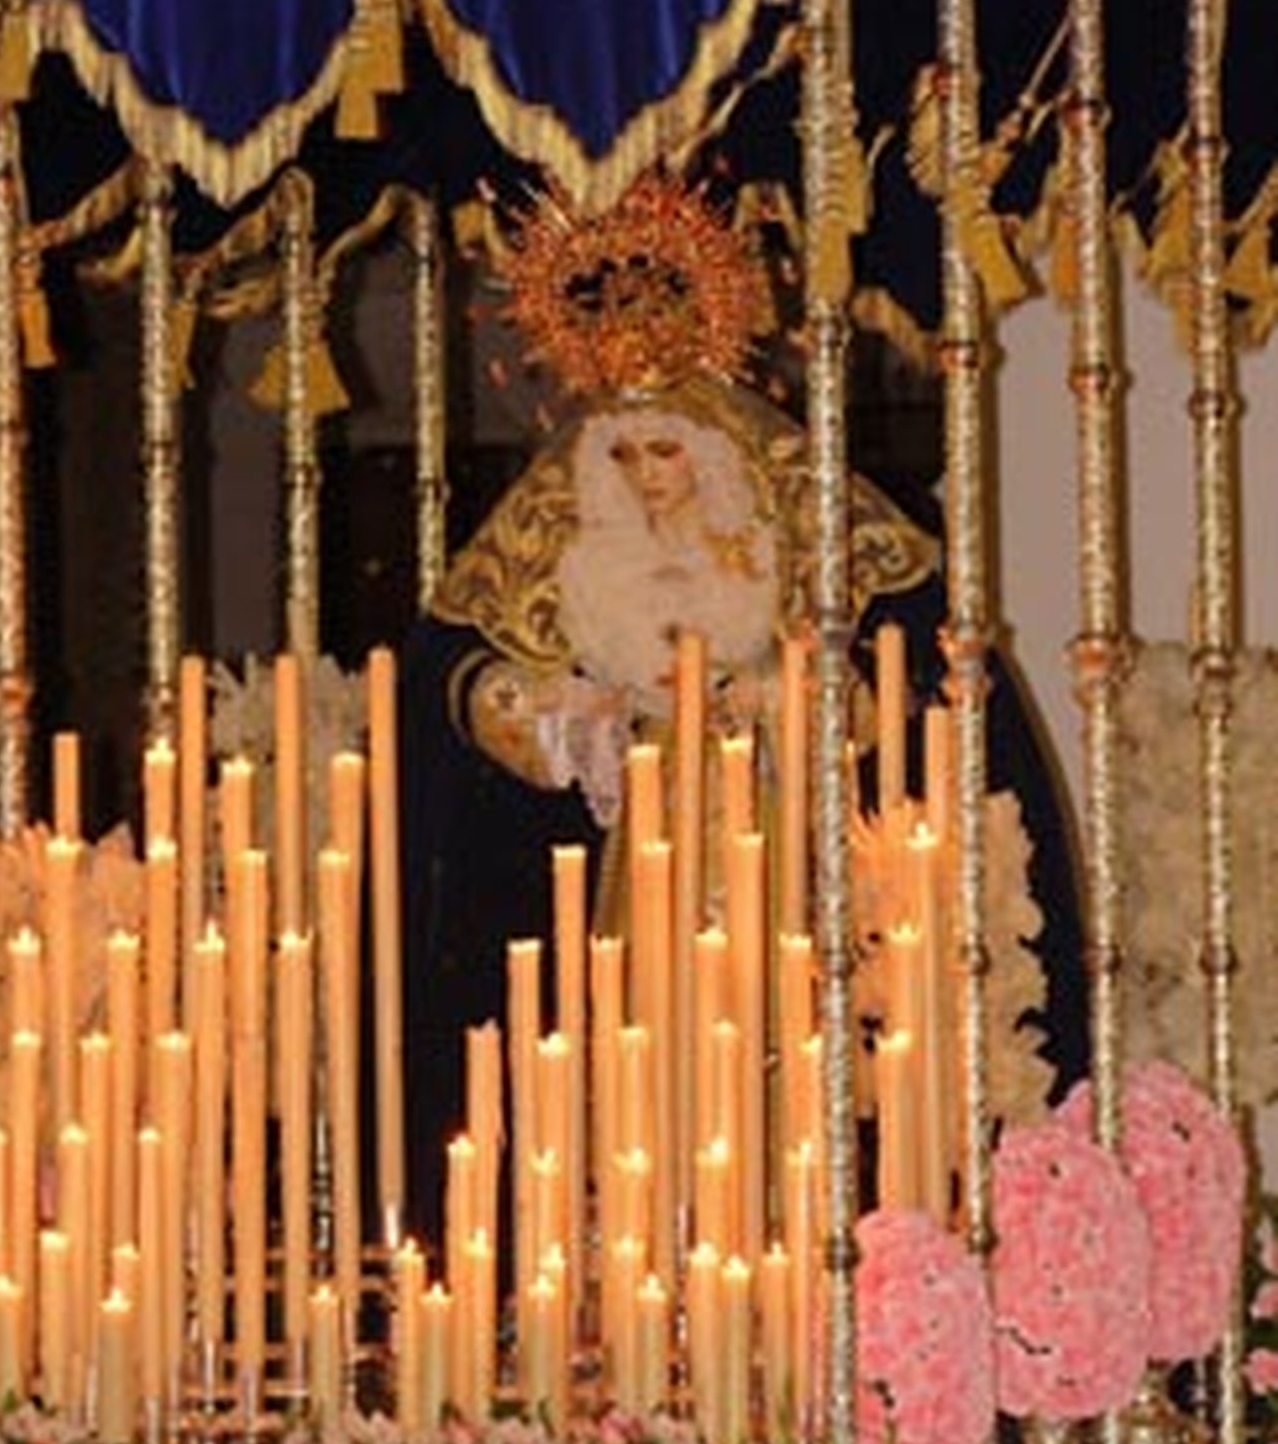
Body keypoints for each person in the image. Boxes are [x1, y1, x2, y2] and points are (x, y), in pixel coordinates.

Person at [399, 370, 1088, 1244]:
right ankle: (644, 1222)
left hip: (770, 831)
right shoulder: (590, 566)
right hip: (644, 836)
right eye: (623, 456)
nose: (647, 476)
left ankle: (786, 1215)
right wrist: (557, 711)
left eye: (664, 451)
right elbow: (473, 684)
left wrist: (783, 697)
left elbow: (895, 698)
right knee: (642, 1021)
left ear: (713, 457)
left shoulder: (769, 552)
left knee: (777, 1018)